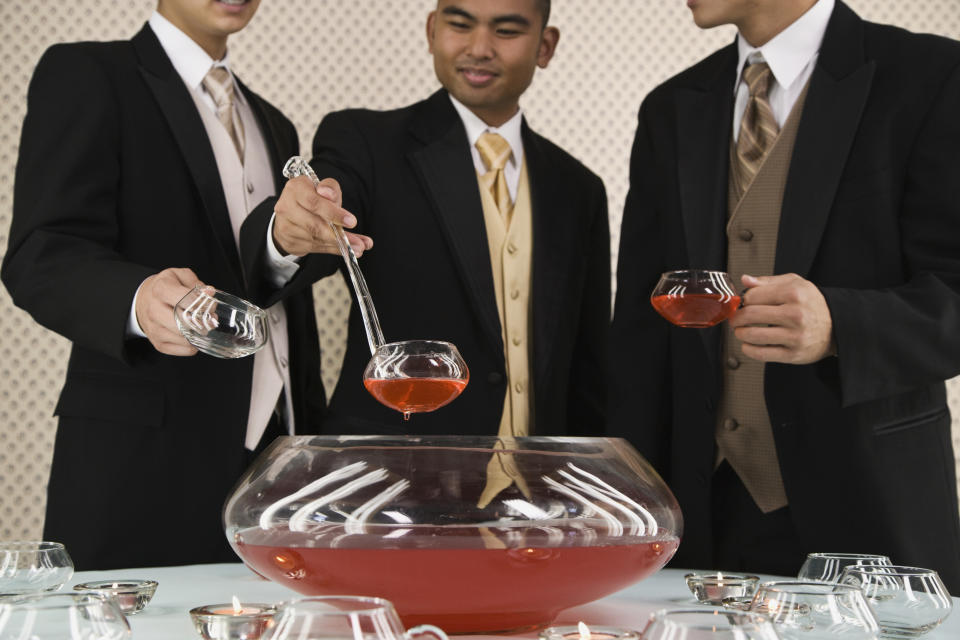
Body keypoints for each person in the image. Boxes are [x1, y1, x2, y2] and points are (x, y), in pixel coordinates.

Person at [1, 0, 366, 570]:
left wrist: (284, 247)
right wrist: (137, 301)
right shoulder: (89, 75)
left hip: (279, 469)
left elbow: (261, 279)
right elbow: (42, 252)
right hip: (143, 463)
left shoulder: (274, 123)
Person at [609, 0, 960, 590]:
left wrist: (841, 325)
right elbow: (640, 334)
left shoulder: (932, 76)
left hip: (868, 511)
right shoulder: (672, 107)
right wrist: (626, 506)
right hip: (695, 514)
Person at [241, 0, 609, 438]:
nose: (479, 47)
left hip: (534, 486)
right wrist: (286, 233)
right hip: (395, 472)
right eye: (459, 24)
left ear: (545, 46)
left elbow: (589, 367)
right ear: (432, 30)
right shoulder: (366, 143)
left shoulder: (579, 187)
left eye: (506, 31)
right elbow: (323, 210)